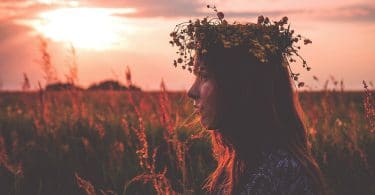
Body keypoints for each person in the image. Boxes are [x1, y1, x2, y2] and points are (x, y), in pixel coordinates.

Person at [170, 5, 327, 195]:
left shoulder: (283, 173)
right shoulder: (241, 164)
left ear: (238, 86)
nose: (191, 91)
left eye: (204, 75)